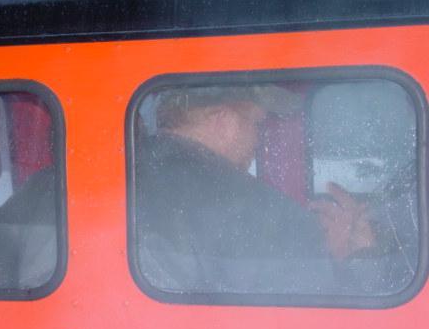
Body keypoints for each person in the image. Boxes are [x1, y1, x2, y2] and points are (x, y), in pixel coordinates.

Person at [135, 86, 378, 295]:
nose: (259, 139)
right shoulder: (256, 212)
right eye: (256, 123)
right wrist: (343, 257)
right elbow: (316, 314)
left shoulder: (131, 175)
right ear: (223, 120)